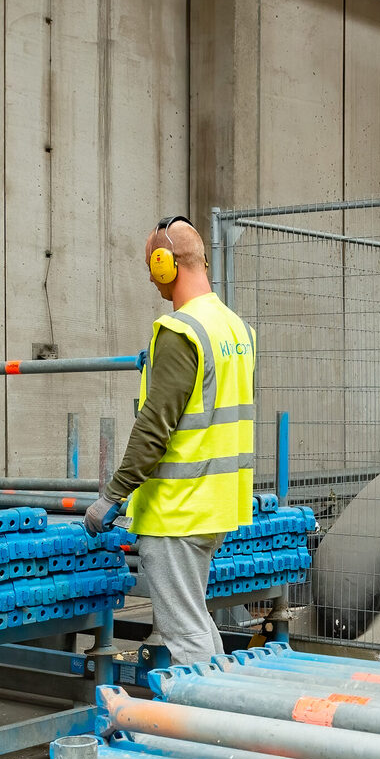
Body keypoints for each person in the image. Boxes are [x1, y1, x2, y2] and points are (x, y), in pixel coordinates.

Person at [84, 216, 256, 666]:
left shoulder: (181, 330)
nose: (150, 277)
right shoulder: (236, 329)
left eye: (150, 267)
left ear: (165, 265)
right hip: (216, 505)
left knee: (185, 636)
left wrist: (113, 495)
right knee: (196, 621)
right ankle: (226, 715)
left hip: (177, 510)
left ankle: (211, 729)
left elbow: (154, 427)